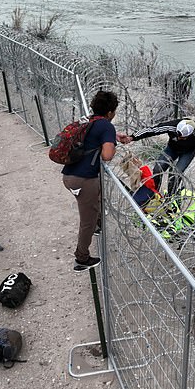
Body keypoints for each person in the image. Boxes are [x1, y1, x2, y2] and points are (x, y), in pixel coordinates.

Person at [62, 90, 119, 273]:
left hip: (70, 175)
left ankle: (97, 224)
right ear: (110, 112)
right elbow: (107, 155)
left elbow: (94, 140)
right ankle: (82, 258)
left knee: (93, 207)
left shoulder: (89, 120)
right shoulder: (107, 126)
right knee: (87, 220)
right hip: (84, 179)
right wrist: (113, 145)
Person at [120, 118, 195, 195]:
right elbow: (153, 130)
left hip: (187, 152)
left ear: (190, 135)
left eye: (182, 137)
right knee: (158, 169)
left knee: (176, 174)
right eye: (178, 135)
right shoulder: (172, 126)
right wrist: (132, 137)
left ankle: (170, 198)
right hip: (171, 149)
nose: (179, 138)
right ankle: (153, 194)